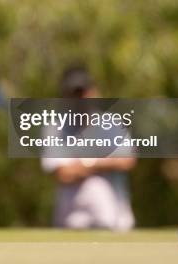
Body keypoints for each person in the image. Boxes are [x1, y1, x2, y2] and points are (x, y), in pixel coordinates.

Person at [41, 66, 136, 231]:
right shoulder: (55, 127)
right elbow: (63, 173)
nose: (80, 99)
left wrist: (87, 164)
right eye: (74, 94)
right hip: (71, 220)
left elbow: (127, 161)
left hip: (114, 219)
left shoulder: (111, 124)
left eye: (83, 92)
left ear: (93, 91)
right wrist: (102, 162)